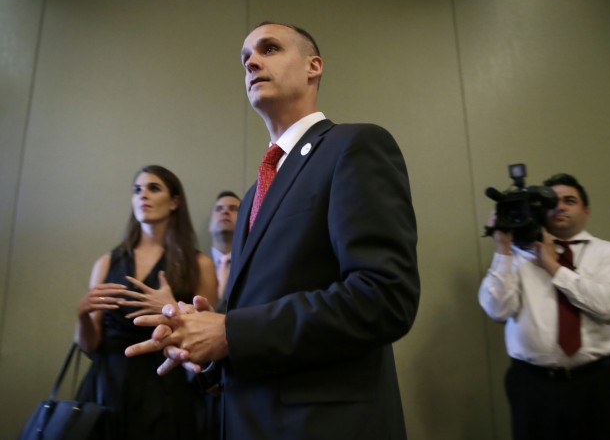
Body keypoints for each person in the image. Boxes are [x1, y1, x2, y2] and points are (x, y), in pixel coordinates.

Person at [126, 22, 420, 440]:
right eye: (246, 57)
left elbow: (385, 297)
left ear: (313, 67)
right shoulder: (253, 196)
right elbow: (247, 326)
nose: (252, 62)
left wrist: (231, 332)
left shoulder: (353, 147)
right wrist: (204, 340)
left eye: (270, 48)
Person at [478, 173, 610, 440]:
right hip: (533, 385)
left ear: (585, 211)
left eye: (569, 200)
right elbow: (497, 310)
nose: (560, 207)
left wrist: (553, 266)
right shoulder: (515, 258)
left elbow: (608, 306)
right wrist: (502, 248)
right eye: (551, 202)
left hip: (598, 383)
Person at [75, 165, 217, 440]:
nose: (143, 195)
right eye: (137, 190)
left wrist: (172, 311)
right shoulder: (108, 262)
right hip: (107, 386)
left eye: (154, 188)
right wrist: (82, 314)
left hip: (165, 390)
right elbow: (89, 346)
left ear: (175, 202)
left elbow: (205, 340)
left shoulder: (199, 264)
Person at [208, 190, 240, 308]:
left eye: (233, 208)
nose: (225, 211)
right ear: (210, 224)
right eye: (218, 209)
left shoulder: (255, 268)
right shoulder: (192, 266)